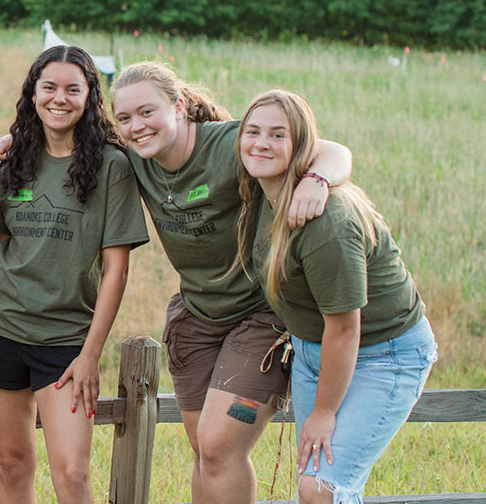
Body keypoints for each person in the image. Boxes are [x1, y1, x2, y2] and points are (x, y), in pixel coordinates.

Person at [107, 62, 353, 504]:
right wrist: (16, 141)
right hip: (197, 315)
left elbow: (331, 150)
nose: (136, 126)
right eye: (124, 118)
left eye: (147, 112)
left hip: (261, 315)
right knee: (205, 450)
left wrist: (316, 179)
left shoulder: (228, 144)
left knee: (220, 445)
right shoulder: (132, 155)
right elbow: (63, 139)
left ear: (179, 106)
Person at [234, 90, 435, 504]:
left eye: (277, 135)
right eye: (252, 132)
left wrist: (324, 413)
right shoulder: (264, 190)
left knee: (322, 487)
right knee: (313, 482)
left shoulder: (328, 221)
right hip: (313, 352)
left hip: (383, 354)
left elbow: (345, 328)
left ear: (302, 147)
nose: (261, 143)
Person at [0, 46, 148, 503]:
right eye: (48, 87)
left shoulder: (113, 167)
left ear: (90, 96)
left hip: (66, 345)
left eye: (73, 88)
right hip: (0, 331)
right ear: (33, 94)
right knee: (12, 467)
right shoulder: (15, 160)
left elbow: (116, 269)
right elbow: (1, 244)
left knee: (71, 475)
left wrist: (89, 355)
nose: (59, 98)